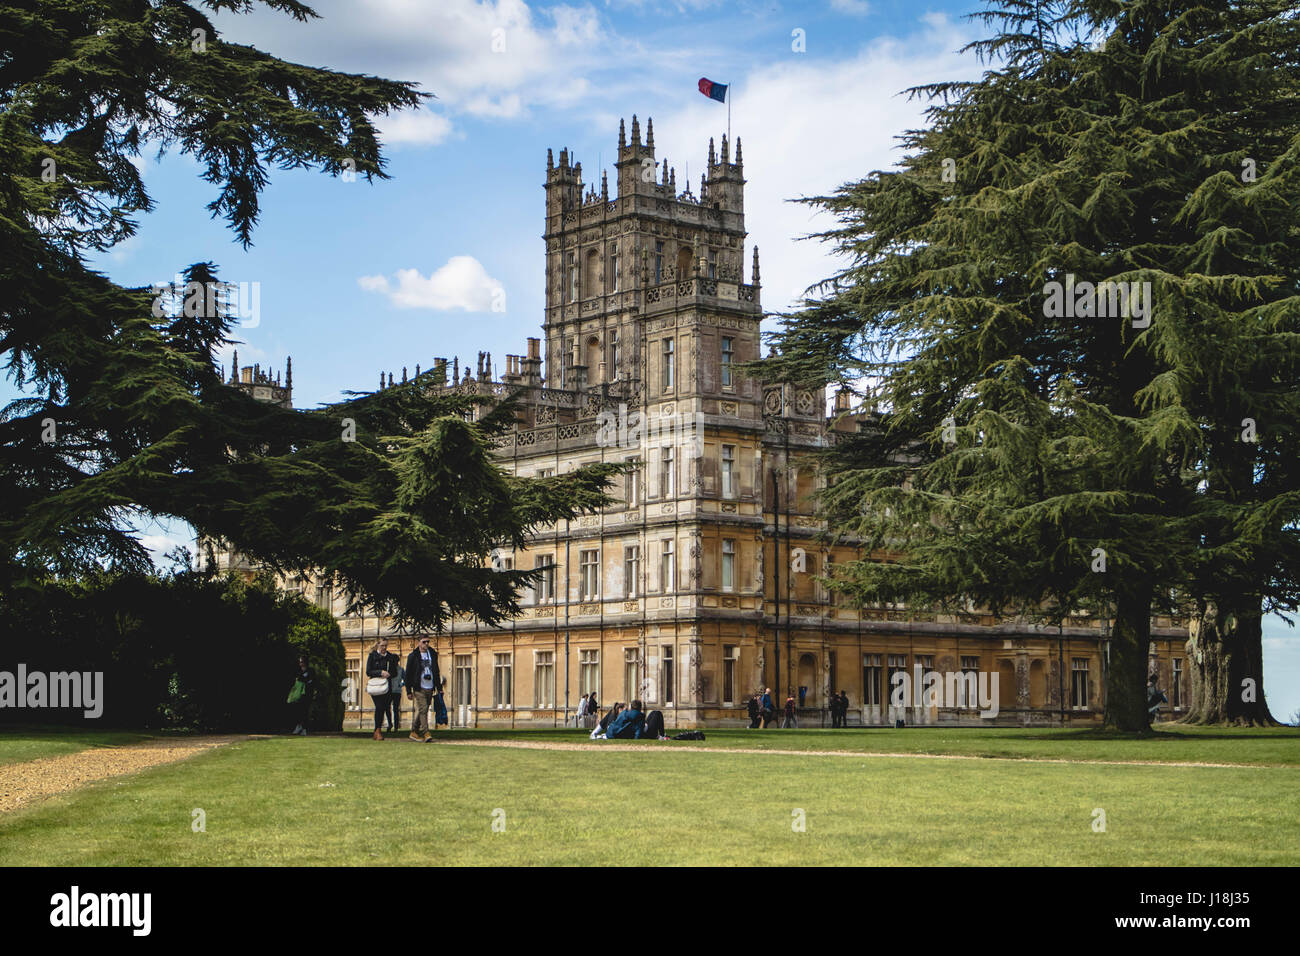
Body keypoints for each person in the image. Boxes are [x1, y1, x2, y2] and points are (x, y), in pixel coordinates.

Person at [404, 635, 441, 741]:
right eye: (424, 642)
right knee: (423, 709)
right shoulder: (413, 656)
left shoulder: (432, 654)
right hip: (419, 687)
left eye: (428, 642)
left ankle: (414, 731)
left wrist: (439, 687)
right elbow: (408, 674)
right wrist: (408, 691)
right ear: (419, 643)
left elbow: (436, 671)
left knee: (422, 710)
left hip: (430, 687)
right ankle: (426, 733)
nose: (426, 644)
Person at [365, 638, 392, 740]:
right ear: (378, 645)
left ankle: (377, 730)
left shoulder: (390, 657)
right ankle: (378, 730)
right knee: (379, 706)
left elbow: (394, 671)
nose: (384, 648)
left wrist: (390, 673)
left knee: (384, 707)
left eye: (386, 646)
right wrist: (380, 672)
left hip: (386, 685)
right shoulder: (372, 656)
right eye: (382, 646)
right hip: (375, 686)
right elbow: (368, 671)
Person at [288, 656, 315, 736]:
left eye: (302, 662)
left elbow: (311, 681)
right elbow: (298, 680)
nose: (301, 664)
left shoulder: (310, 671)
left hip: (307, 694)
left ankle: (304, 728)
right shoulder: (298, 671)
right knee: (298, 710)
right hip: (299, 694)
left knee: (305, 711)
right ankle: (299, 726)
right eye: (300, 662)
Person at [386, 646, 404, 732]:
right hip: (389, 690)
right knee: (388, 708)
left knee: (395, 709)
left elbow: (405, 679)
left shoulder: (401, 670)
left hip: (397, 691)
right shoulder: (388, 669)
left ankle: (396, 726)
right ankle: (390, 724)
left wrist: (400, 684)